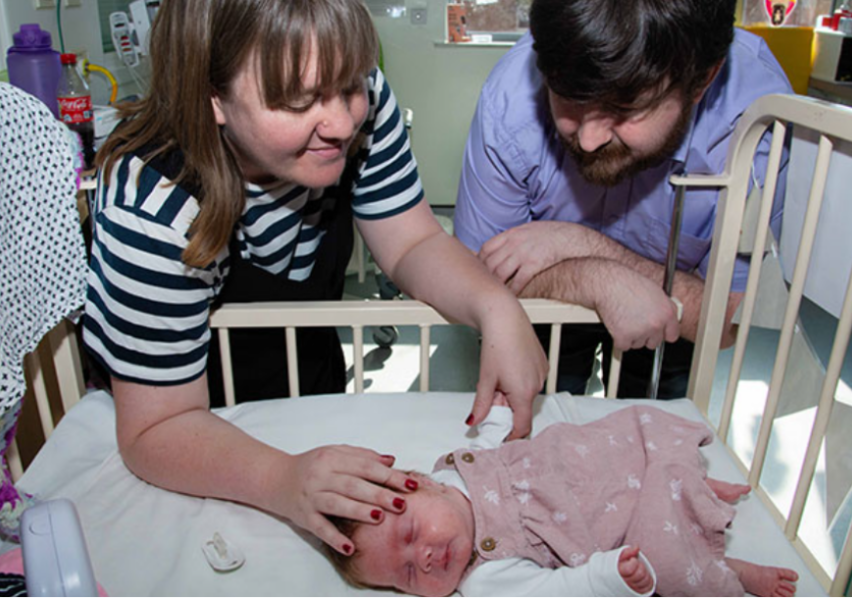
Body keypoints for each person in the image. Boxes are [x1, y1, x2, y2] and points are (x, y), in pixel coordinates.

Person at [83, 0, 548, 558]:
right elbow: (153, 429)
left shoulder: (360, 100)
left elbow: (413, 242)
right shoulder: (153, 203)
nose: (343, 122)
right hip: (195, 435)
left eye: (349, 84)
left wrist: (494, 305)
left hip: (308, 379)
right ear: (212, 96)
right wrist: (282, 479)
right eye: (298, 101)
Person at [453, 0, 794, 398]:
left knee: (652, 430)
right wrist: (589, 279)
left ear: (703, 80)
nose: (587, 139)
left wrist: (580, 246)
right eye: (568, 98)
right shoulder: (511, 98)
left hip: (671, 324)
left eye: (625, 107)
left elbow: (730, 321)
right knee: (537, 420)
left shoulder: (758, 121)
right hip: (543, 307)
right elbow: (475, 276)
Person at [328, 399, 800, 596]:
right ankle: (733, 569)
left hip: (585, 459)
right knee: (666, 553)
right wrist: (605, 575)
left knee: (631, 427)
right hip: (605, 516)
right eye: (408, 575)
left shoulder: (448, 470)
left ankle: (687, 482)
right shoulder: (485, 578)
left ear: (420, 484)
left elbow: (492, 450)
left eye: (411, 534)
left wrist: (496, 419)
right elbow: (554, 591)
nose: (426, 558)